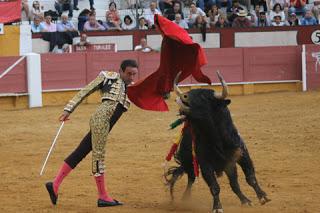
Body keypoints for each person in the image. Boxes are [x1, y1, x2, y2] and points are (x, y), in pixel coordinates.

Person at [45, 60, 138, 207]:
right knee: (98, 157)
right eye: (128, 74)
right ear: (120, 71)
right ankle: (103, 196)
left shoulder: (133, 88)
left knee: (80, 152)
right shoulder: (108, 77)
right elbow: (85, 91)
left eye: (134, 74)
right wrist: (68, 109)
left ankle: (55, 184)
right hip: (101, 120)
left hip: (105, 124)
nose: (131, 77)